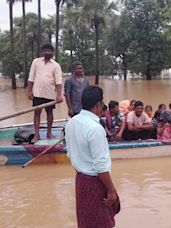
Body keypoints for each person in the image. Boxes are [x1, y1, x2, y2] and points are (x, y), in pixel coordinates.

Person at [65, 86, 120, 228]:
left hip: (81, 180)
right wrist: (111, 190)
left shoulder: (71, 123)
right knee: (102, 223)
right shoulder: (95, 129)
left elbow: (70, 153)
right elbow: (101, 167)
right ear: (98, 105)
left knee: (86, 222)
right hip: (96, 182)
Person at [28, 44, 63, 142]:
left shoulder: (56, 65)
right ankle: (37, 135)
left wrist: (59, 95)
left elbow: (58, 81)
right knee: (37, 113)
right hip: (37, 93)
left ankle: (49, 133)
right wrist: (30, 91)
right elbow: (31, 78)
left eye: (49, 51)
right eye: (45, 50)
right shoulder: (36, 62)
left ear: (53, 53)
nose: (47, 52)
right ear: (42, 52)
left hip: (50, 93)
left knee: (49, 113)